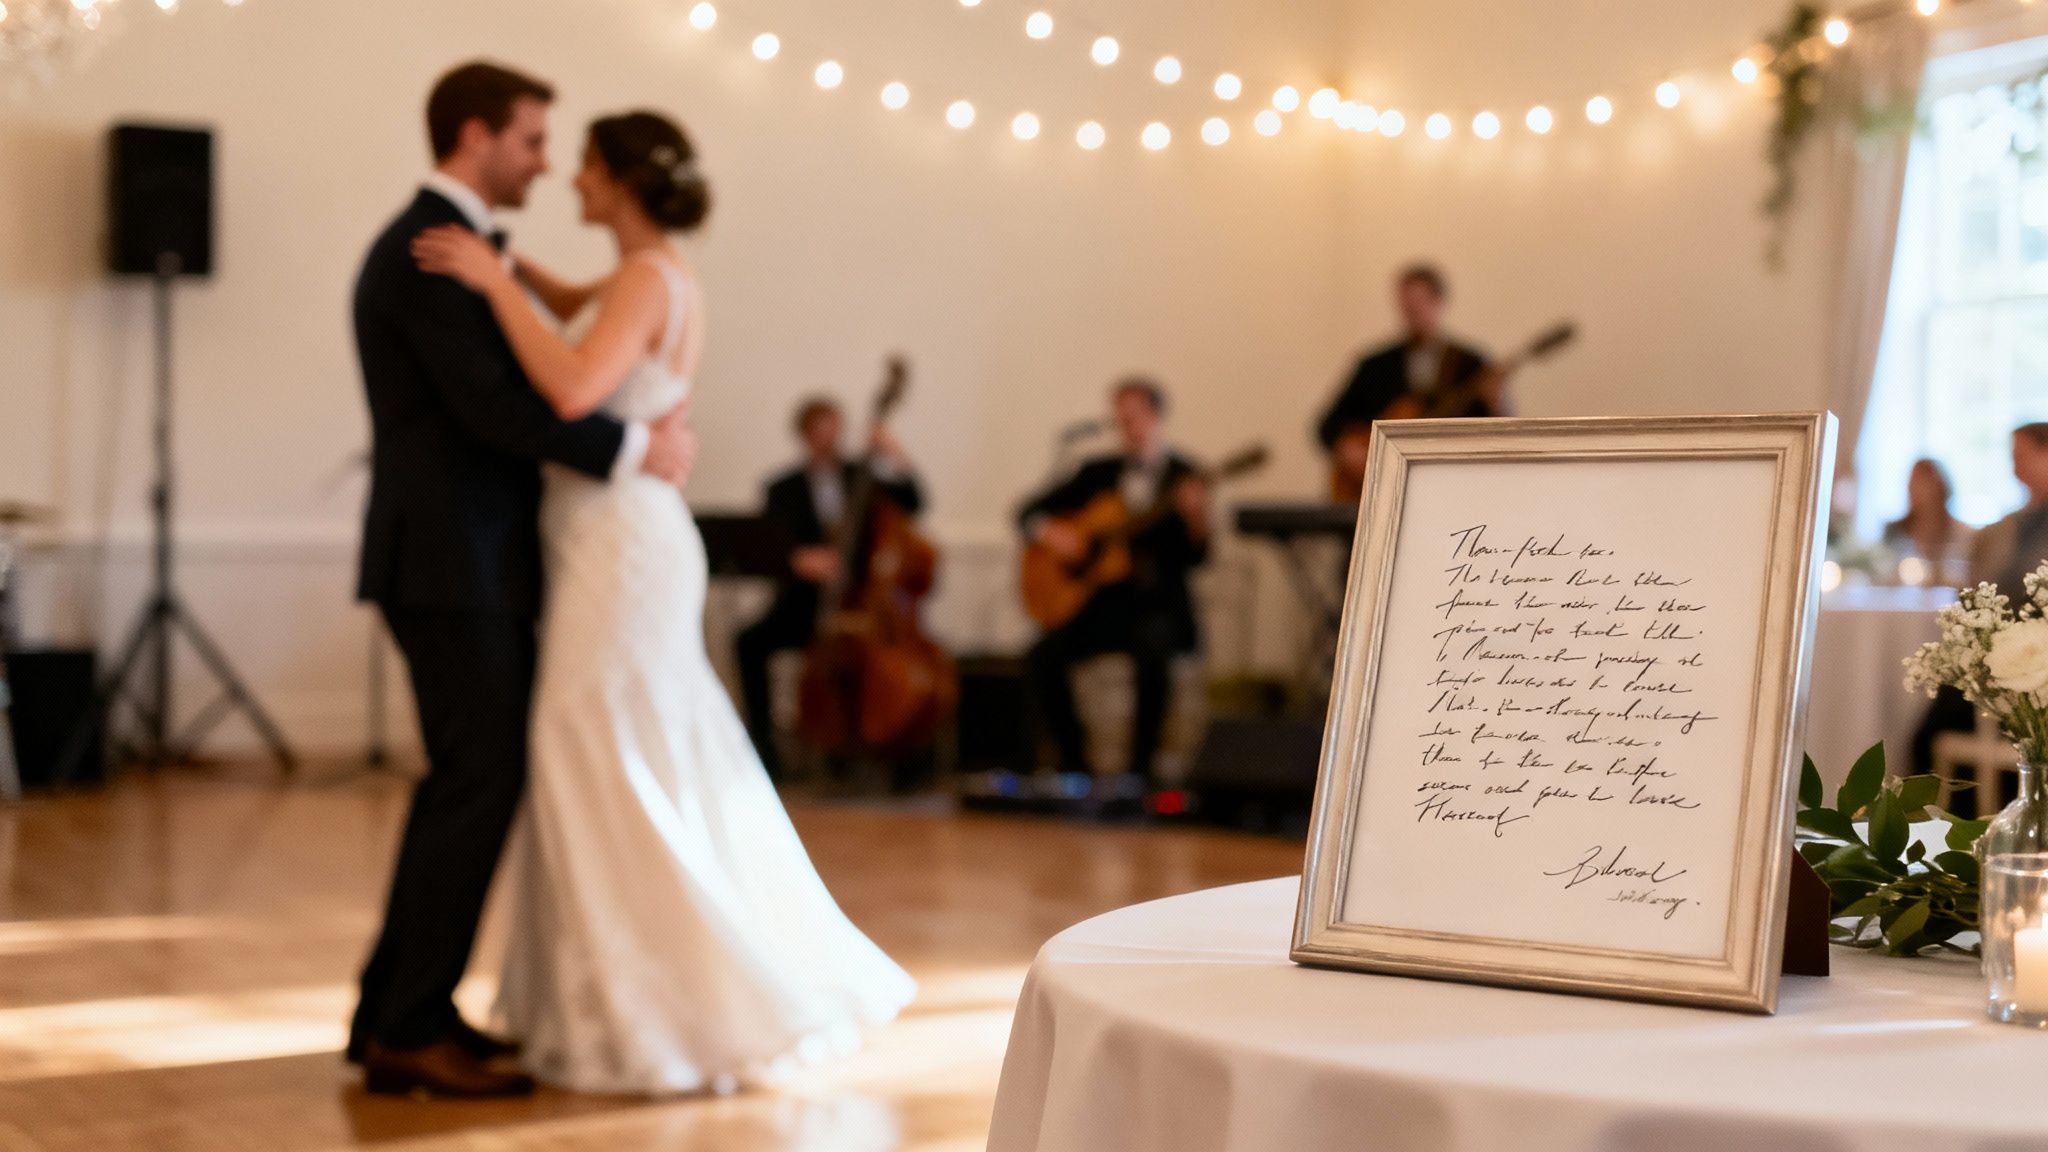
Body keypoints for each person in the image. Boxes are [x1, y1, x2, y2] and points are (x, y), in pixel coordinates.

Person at [407, 102, 914, 1094]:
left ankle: (660, 1003)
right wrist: (513, 271)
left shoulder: (646, 277)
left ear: (625, 180)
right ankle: (628, 993)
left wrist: (486, 284)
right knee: (626, 749)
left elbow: (568, 387)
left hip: (620, 550)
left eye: (589, 167)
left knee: (600, 751)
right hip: (617, 541)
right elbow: (575, 307)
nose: (574, 181)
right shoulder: (650, 273)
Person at [347, 62, 700, 1099]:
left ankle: (393, 1010)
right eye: (533, 141)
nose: (546, 164)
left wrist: (519, 282)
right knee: (475, 780)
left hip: (477, 557)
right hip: (452, 561)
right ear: (475, 136)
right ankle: (406, 1025)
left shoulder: (471, 250)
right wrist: (638, 448)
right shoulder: (428, 252)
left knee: (470, 778)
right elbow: (497, 412)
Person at [1019, 378, 1211, 785]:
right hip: (1105, 607)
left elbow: (1198, 558)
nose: (1127, 427)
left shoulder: (1185, 474)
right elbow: (1026, 513)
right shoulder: (1097, 472)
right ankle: (1074, 768)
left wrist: (1196, 518)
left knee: (1152, 652)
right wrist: (1054, 535)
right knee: (1041, 656)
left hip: (1159, 605)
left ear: (1157, 417)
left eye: (1134, 417)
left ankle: (1138, 776)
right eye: (1119, 420)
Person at [735, 398, 924, 780]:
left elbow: (915, 502)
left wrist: (894, 452)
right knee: (748, 642)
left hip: (865, 604)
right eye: (818, 430)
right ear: (804, 434)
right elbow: (772, 547)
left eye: (834, 428)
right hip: (805, 601)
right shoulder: (782, 487)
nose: (828, 438)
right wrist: (798, 560)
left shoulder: (863, 477)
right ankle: (766, 751)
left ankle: (895, 754)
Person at [1912, 425, 2048, 774]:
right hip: (2002, 654)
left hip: (2031, 664)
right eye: (2012, 458)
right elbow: (1978, 586)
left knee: (1939, 722)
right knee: (1934, 721)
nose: (2014, 467)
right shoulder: (2010, 525)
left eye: (2021, 456)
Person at [1316, 263, 1495, 498]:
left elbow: (1492, 433)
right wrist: (1348, 451)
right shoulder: (1375, 365)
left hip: (1449, 487)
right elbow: (1327, 426)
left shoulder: (1470, 364)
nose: (1411, 314)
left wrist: (1497, 401)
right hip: (1383, 491)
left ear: (1438, 301)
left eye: (1417, 306)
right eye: (1406, 307)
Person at [1882, 458, 1974, 587]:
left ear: (1941, 487)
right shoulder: (1894, 531)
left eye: (1922, 482)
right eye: (1911, 482)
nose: (1914, 489)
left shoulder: (1964, 533)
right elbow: (1884, 574)